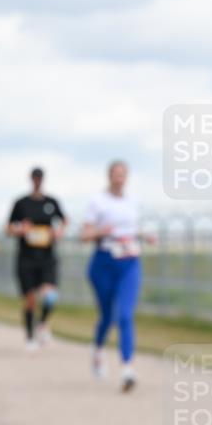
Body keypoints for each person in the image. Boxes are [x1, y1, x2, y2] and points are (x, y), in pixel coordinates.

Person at [81, 160, 152, 392]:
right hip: (104, 262)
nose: (119, 178)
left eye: (123, 174)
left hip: (129, 262)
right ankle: (98, 349)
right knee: (107, 316)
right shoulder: (98, 202)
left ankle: (127, 369)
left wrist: (144, 236)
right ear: (109, 176)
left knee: (124, 315)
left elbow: (131, 229)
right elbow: (85, 234)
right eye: (116, 174)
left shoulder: (133, 202)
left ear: (127, 177)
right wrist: (101, 231)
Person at [6, 168, 67, 351]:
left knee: (50, 296)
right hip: (26, 258)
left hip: (47, 257)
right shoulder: (21, 203)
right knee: (30, 299)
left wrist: (58, 231)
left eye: (40, 178)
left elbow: (64, 221)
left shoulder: (52, 202)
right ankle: (30, 336)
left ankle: (42, 323)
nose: (37, 181)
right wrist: (19, 230)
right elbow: (8, 228)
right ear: (31, 179)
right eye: (35, 178)